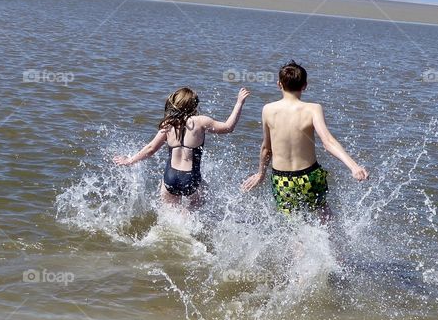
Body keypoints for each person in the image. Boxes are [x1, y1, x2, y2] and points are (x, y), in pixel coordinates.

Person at [241, 61, 368, 216]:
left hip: (282, 180)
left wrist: (260, 174)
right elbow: (328, 142)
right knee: (323, 215)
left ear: (279, 84)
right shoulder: (313, 109)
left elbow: (267, 149)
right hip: (310, 176)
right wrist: (353, 166)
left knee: (293, 226)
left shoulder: (268, 110)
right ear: (305, 86)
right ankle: (330, 240)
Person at [115, 86, 250, 207]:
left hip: (170, 177)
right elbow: (228, 127)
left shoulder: (168, 125)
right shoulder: (201, 121)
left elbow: (151, 149)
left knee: (169, 218)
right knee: (197, 203)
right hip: (190, 178)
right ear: (193, 105)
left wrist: (129, 160)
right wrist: (239, 103)